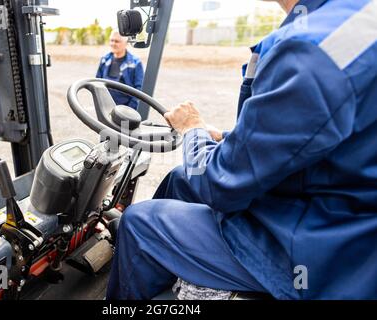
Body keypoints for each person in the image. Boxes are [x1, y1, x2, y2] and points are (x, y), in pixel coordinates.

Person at [106, 0, 377, 300]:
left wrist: (193, 129)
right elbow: (304, 133)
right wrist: (225, 138)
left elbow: (219, 183)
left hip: (317, 250)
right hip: (337, 209)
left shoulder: (311, 53)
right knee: (180, 178)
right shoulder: (354, 20)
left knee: (140, 224)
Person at [96, 30, 144, 110]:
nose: (113, 44)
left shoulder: (135, 63)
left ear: (126, 43)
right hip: (105, 109)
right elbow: (97, 83)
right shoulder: (104, 60)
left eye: (117, 41)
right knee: (101, 123)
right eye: (111, 40)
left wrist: (129, 111)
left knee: (124, 123)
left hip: (125, 112)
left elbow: (139, 90)